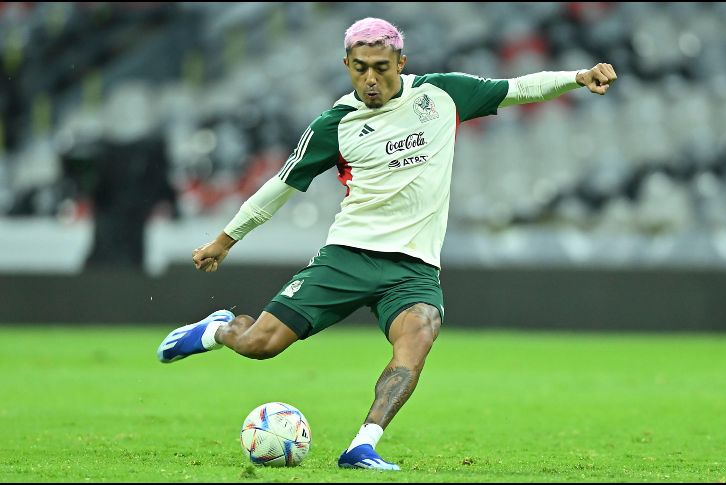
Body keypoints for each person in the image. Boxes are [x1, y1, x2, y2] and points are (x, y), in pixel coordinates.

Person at [157, 17, 616, 470]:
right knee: (261, 344)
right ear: (346, 65)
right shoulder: (335, 124)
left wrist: (577, 77)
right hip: (348, 256)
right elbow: (279, 185)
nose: (371, 78)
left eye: (381, 66)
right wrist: (224, 240)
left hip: (414, 268)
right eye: (360, 68)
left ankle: (363, 444)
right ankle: (218, 329)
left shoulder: (442, 95)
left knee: (420, 333)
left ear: (401, 60)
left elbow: (518, 88)